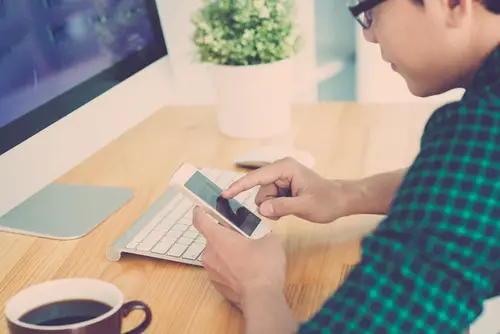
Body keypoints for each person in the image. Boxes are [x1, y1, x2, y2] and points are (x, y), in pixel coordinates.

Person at [192, 0, 500, 332]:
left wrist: (256, 286)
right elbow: (468, 188)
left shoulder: (482, 128)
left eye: (369, 12)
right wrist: (343, 193)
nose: (369, 36)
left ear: (452, 4)